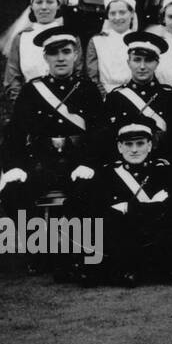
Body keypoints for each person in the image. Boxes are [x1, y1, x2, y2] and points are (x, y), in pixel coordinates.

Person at [0, 25, 104, 220]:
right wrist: (14, 166)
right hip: (40, 163)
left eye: (66, 51)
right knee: (12, 194)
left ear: (76, 55)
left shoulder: (88, 89)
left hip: (77, 163)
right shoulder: (31, 90)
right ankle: (38, 244)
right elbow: (15, 132)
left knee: (92, 193)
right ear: (45, 57)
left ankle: (77, 245)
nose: (60, 58)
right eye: (54, 53)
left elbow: (99, 132)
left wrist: (89, 163)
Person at [74, 121, 172, 286]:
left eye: (140, 143)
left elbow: (171, 209)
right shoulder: (107, 175)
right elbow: (100, 213)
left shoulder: (163, 172)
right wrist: (150, 207)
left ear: (150, 145)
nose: (134, 150)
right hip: (120, 243)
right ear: (120, 147)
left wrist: (127, 208)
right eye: (128, 144)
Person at [99, 31, 172, 163]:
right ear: (128, 62)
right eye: (137, 60)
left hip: (162, 162)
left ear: (157, 63)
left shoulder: (168, 96)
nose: (142, 66)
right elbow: (107, 138)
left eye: (148, 60)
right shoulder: (115, 97)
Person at [4, 0, 63, 102]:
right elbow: (12, 77)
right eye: (39, 2)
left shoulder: (69, 35)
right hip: (30, 102)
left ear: (58, 6)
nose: (44, 7)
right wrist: (22, 104)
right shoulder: (22, 37)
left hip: (64, 103)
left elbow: (77, 71)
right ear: (31, 6)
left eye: (50, 2)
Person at [84, 0, 137, 96]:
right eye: (112, 13)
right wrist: (105, 96)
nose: (117, 17)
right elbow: (92, 75)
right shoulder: (97, 40)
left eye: (122, 12)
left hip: (134, 94)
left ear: (131, 13)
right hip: (105, 94)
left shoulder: (139, 40)